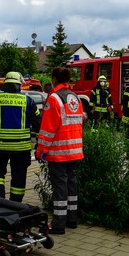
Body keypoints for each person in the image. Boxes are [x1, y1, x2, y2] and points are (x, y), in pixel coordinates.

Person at [36, 67, 85, 234]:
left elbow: (48, 128)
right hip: (75, 149)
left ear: (54, 79)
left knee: (60, 186)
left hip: (59, 151)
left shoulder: (54, 98)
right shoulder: (75, 97)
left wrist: (41, 150)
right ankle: (72, 219)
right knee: (72, 183)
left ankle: (58, 223)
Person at [0, 71, 41, 202]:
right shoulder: (28, 101)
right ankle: (16, 205)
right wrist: (40, 142)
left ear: (5, 84)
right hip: (21, 148)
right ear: (19, 85)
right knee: (19, 176)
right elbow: (38, 123)